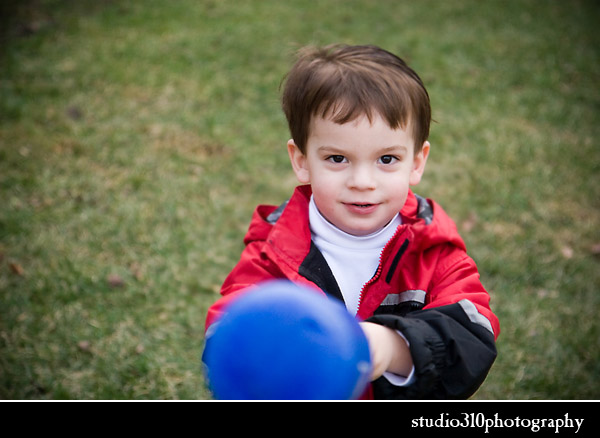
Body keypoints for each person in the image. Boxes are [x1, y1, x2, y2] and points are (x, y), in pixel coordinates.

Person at [204, 44, 499, 399]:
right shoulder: (273, 253)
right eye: (338, 158)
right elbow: (226, 333)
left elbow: (472, 337)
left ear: (417, 162)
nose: (362, 181)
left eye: (387, 159)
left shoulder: (434, 253)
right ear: (301, 160)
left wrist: (391, 346)